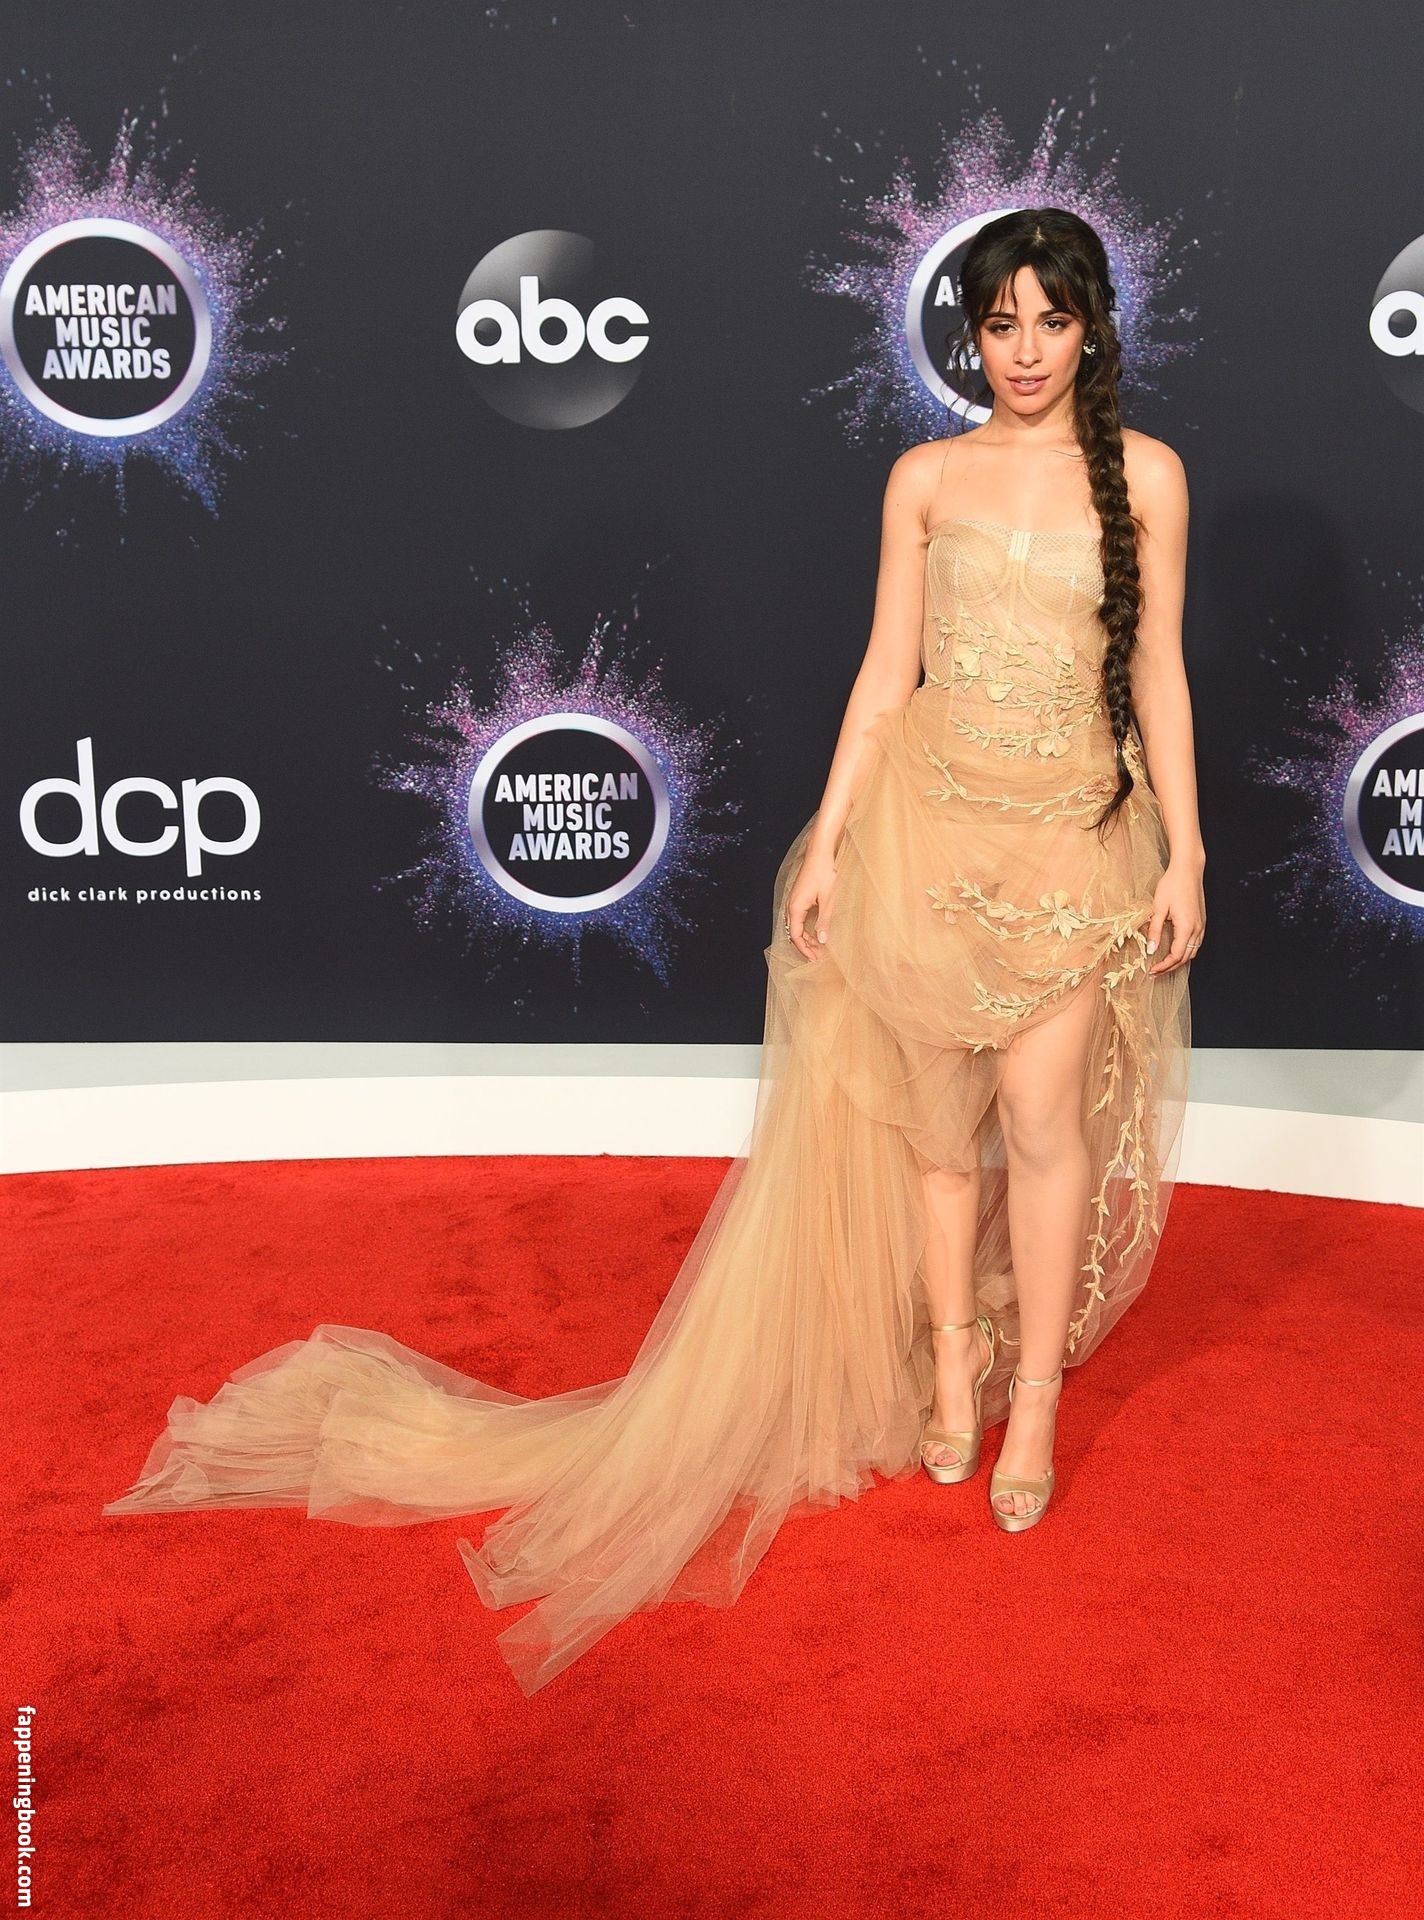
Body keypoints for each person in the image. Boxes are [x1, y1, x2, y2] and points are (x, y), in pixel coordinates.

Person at [103, 207, 1201, 1695]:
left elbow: (1157, 672)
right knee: (940, 1129)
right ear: (971, 334)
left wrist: (1186, 851)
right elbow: (887, 672)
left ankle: (1037, 1409)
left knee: (1042, 1120)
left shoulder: (1148, 478)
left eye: (1049, 323)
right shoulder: (925, 477)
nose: (1023, 352)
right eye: (999, 324)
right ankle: (953, 1368)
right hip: (931, 834)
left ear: (1091, 328)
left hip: (1074, 837)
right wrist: (834, 839)